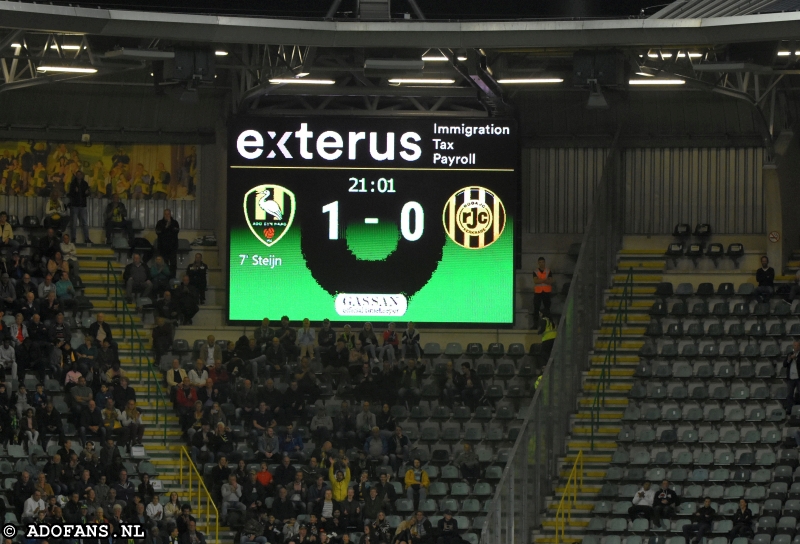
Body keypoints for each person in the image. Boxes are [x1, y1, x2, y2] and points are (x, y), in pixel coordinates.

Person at [67, 169, 92, 244]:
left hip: (83, 205)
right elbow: (70, 194)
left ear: (82, 175)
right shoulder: (73, 184)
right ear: (76, 175)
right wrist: (75, 191)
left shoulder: (85, 183)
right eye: (77, 175)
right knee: (74, 223)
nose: (78, 176)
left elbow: (86, 194)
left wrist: (87, 193)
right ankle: (73, 238)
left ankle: (87, 238)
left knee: (85, 223)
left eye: (80, 174)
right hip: (74, 205)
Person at [156, 209, 180, 277]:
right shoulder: (160, 223)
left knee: (173, 265)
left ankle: (172, 278)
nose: (167, 216)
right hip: (162, 248)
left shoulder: (175, 223)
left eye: (168, 214)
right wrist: (166, 227)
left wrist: (170, 225)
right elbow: (158, 232)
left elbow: (176, 231)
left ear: (170, 214)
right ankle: (164, 279)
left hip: (172, 248)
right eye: (165, 214)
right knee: (164, 264)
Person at [532, 257, 554, 328]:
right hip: (538, 292)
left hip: (546, 292)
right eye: (540, 262)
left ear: (545, 262)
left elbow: (550, 281)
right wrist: (545, 279)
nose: (541, 264)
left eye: (543, 262)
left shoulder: (548, 271)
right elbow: (535, 281)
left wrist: (540, 280)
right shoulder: (535, 271)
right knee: (536, 309)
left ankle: (549, 324)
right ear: (538, 263)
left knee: (547, 309)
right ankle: (535, 325)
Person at [786, 340, 800, 410]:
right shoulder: (789, 354)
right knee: (789, 395)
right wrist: (789, 359)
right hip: (791, 378)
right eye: (795, 345)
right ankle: (790, 410)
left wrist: (796, 358)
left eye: (798, 346)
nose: (796, 347)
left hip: (798, 378)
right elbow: (785, 364)